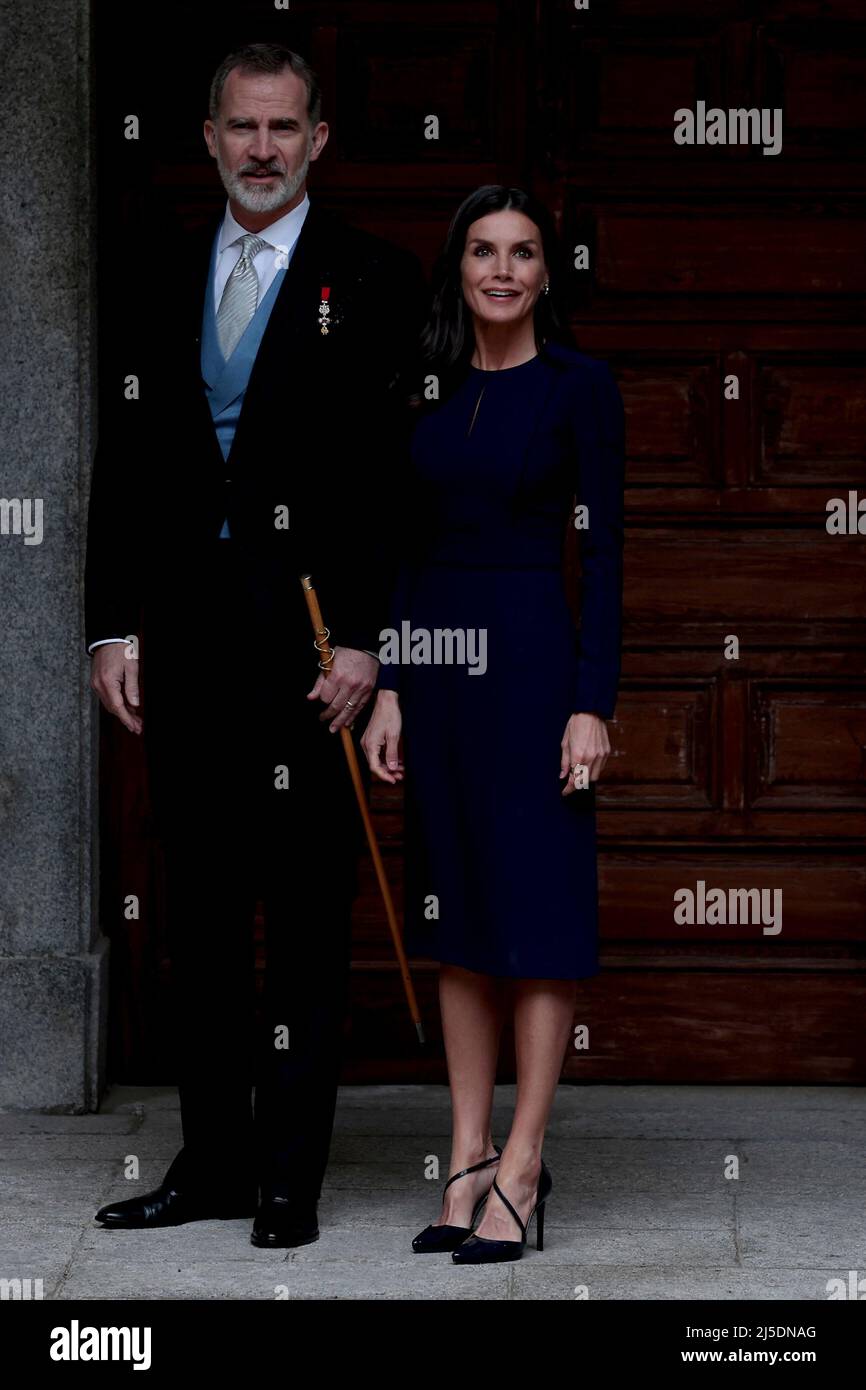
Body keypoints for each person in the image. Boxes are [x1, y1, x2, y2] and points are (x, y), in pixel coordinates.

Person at [86, 42, 425, 1248]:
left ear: (318, 138)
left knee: (304, 917)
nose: (264, 149)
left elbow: (397, 482)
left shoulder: (374, 280)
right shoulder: (157, 272)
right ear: (211, 136)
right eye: (243, 128)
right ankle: (213, 1161)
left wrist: (373, 640)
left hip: (310, 646)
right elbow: (123, 463)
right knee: (205, 919)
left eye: (284, 129)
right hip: (185, 633)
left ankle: (288, 1176)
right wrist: (114, 623)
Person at [362, 185, 625, 1263]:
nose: (502, 270)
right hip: (437, 668)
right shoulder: (419, 386)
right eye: (482, 251)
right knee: (457, 912)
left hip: (531, 660)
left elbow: (604, 555)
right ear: (458, 267)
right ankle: (463, 1156)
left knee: (539, 909)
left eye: (522, 253)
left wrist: (589, 702)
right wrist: (386, 681)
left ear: (544, 274)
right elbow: (394, 545)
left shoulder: (579, 387)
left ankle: (522, 1163)